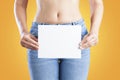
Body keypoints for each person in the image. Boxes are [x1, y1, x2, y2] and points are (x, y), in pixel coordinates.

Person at [14, 0, 104, 80]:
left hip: (76, 37)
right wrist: (23, 32)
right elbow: (19, 3)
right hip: (41, 37)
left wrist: (94, 32)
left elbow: (96, 2)